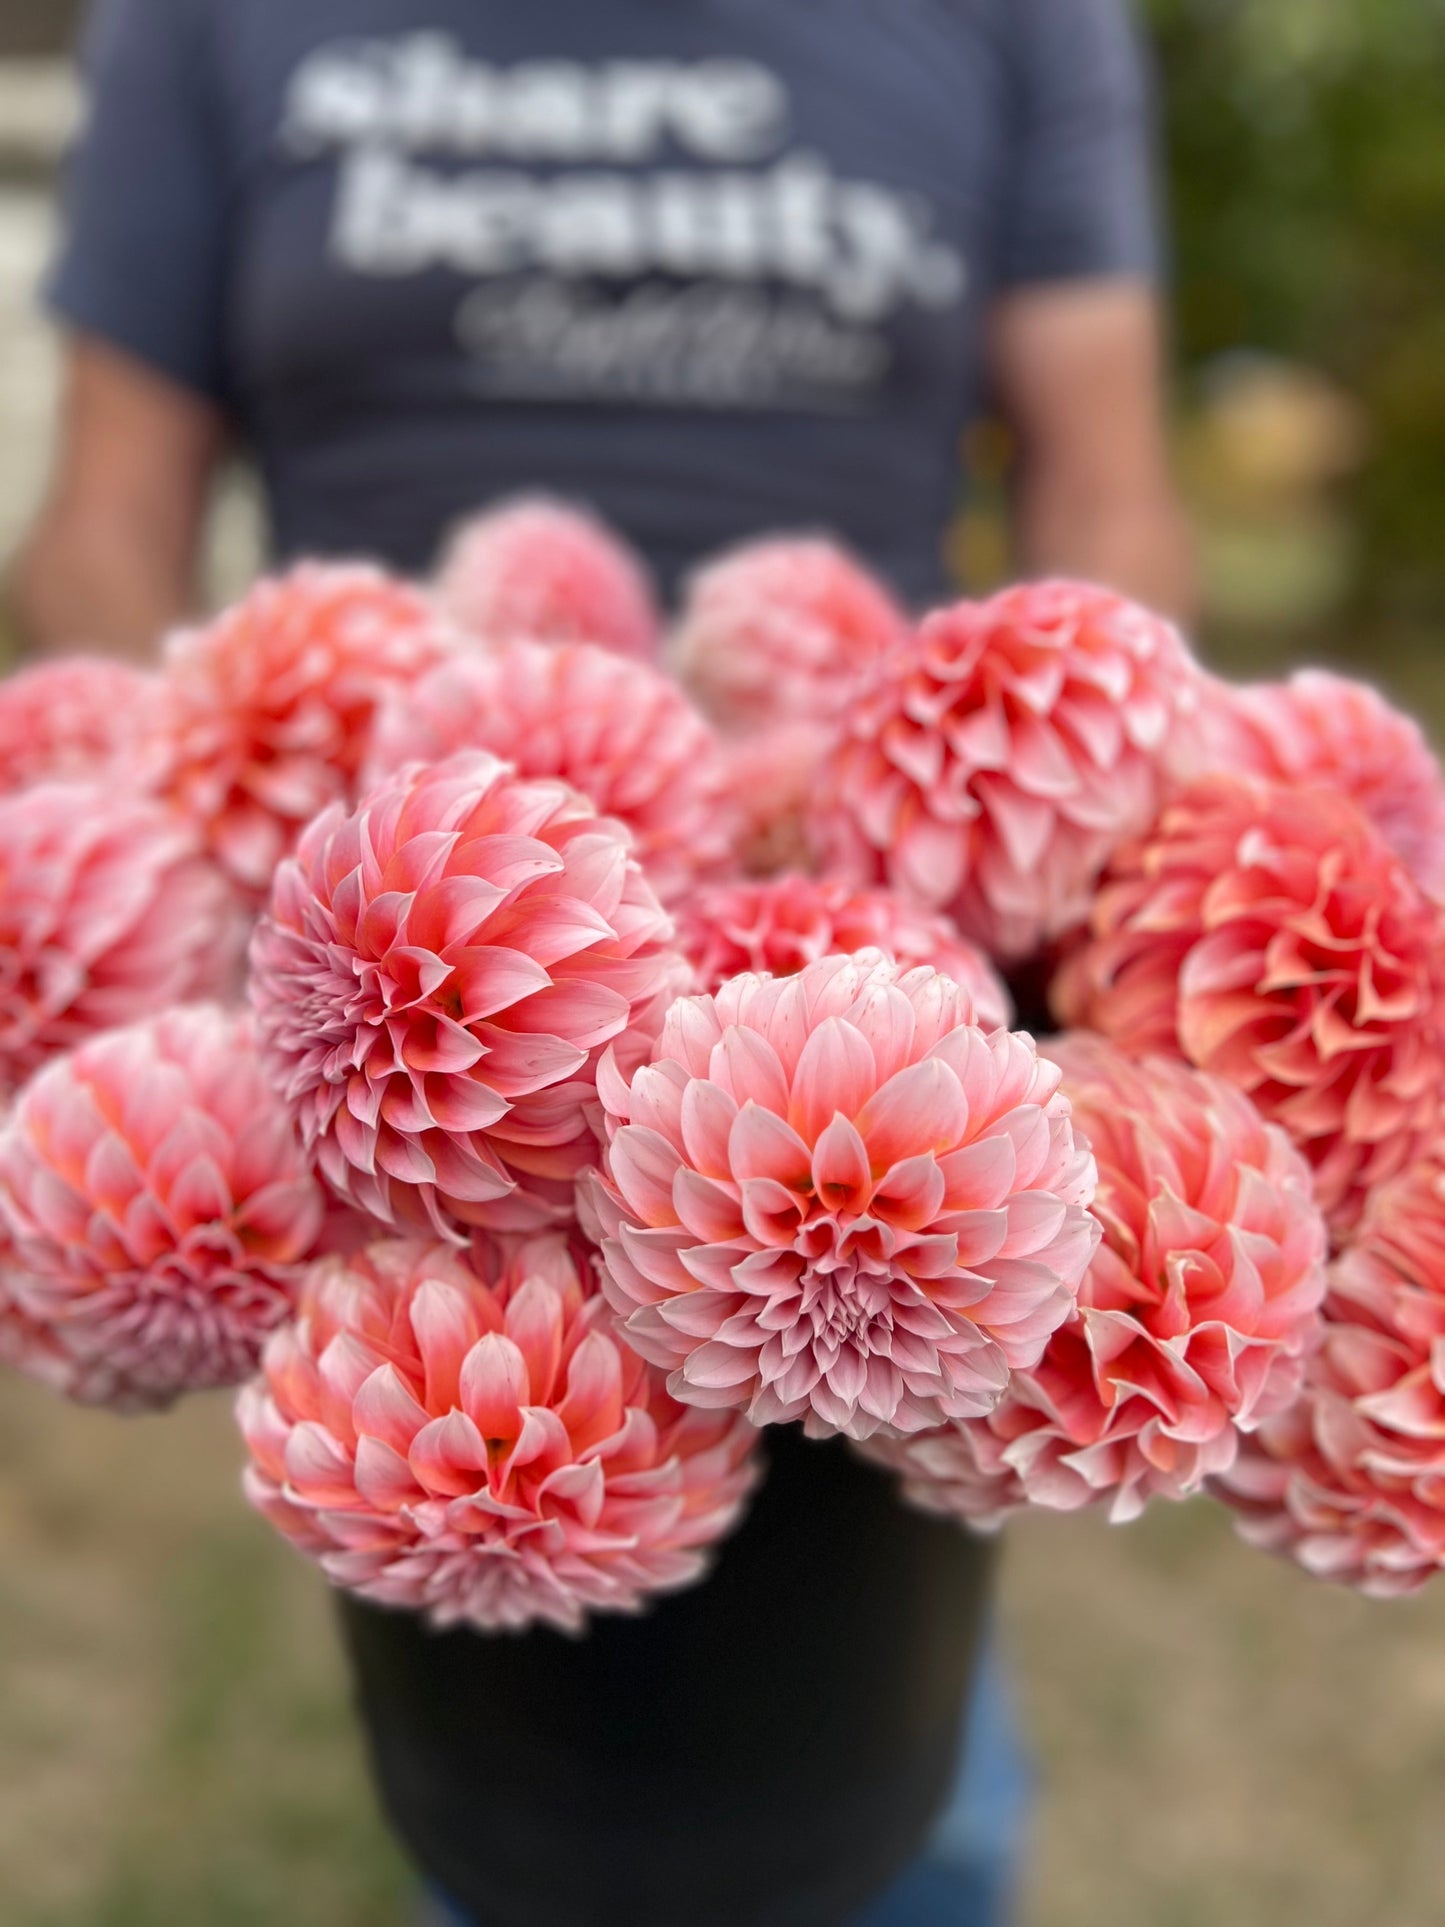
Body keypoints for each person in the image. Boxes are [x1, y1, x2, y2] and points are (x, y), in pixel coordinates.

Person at [5, 4, 1194, 1923]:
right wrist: (166, 860)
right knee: (527, 1795)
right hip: (373, 971)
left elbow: (1102, 470)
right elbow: (111, 510)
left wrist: (1085, 810)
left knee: (892, 1757)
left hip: (884, 913)